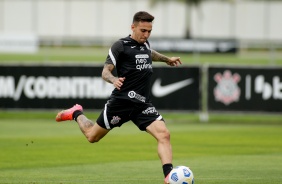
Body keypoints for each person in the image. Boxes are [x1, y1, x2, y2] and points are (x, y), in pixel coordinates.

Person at [55, 11, 182, 184]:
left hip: (142, 104)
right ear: (133, 27)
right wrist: (114, 79)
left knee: (164, 135)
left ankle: (169, 177)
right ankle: (77, 113)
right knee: (92, 136)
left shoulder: (145, 44)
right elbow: (105, 71)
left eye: (149, 31)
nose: (146, 35)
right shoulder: (120, 46)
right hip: (121, 102)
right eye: (143, 30)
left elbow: (149, 53)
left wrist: (167, 59)